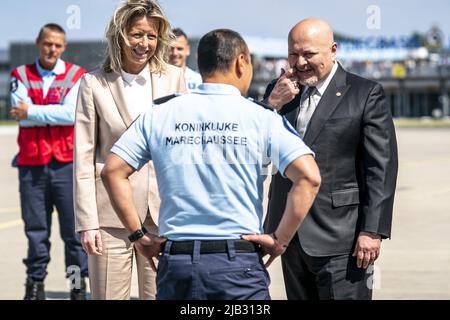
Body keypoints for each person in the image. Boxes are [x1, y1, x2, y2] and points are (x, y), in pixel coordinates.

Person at [101, 29, 321, 300]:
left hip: (177, 261)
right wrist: (280, 240)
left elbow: (112, 170)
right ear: (241, 62)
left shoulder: (160, 113)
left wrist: (138, 235)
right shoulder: (260, 117)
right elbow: (309, 178)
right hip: (237, 263)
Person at [264, 18, 399, 300]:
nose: (299, 62)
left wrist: (372, 230)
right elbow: (255, 150)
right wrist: (271, 105)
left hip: (343, 238)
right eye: (293, 54)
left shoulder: (365, 93)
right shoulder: (279, 92)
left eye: (308, 54)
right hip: (289, 235)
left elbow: (381, 167)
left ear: (333, 50)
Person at [74, 0, 186, 300]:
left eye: (151, 36)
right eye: (137, 34)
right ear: (119, 35)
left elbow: (185, 150)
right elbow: (83, 159)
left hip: (163, 215)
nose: (144, 43)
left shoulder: (174, 79)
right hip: (109, 218)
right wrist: (87, 223)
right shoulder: (93, 83)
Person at [9, 23, 88, 300]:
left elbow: (71, 115)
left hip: (66, 163)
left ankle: (78, 288)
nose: (52, 49)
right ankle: (34, 287)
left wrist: (32, 110)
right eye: (47, 43)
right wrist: (41, 113)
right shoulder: (19, 74)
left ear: (64, 47)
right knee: (36, 232)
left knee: (73, 234)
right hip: (32, 164)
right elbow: (21, 116)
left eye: (57, 45)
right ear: (38, 42)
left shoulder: (77, 75)